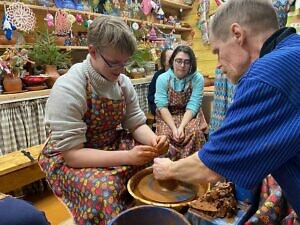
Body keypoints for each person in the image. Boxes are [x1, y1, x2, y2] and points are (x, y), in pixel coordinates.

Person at [153, 0, 300, 220]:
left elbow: (212, 166)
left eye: (218, 51)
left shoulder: (264, 77)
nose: (219, 64)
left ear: (237, 34)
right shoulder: (293, 50)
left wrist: (169, 169)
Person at [38, 16, 169, 225]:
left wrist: (155, 142)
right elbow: (73, 155)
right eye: (114, 64)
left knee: (160, 162)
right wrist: (128, 156)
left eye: (124, 63)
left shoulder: (123, 83)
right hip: (73, 154)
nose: (121, 70)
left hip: (109, 144)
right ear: (92, 52)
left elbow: (135, 123)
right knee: (106, 190)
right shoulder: (69, 87)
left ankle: (143, 215)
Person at [154, 45, 207, 161]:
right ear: (172, 61)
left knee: (195, 133)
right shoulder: (162, 78)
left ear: (191, 64)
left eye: (186, 62)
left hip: (189, 115)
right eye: (179, 61)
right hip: (167, 115)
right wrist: (174, 128)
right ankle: (168, 171)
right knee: (164, 138)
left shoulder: (197, 78)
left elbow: (193, 104)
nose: (182, 66)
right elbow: (162, 106)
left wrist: (182, 127)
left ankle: (193, 168)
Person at [147, 48, 173, 116]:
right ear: (164, 62)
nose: (174, 59)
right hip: (159, 106)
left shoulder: (179, 74)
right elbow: (151, 96)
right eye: (171, 57)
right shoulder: (158, 76)